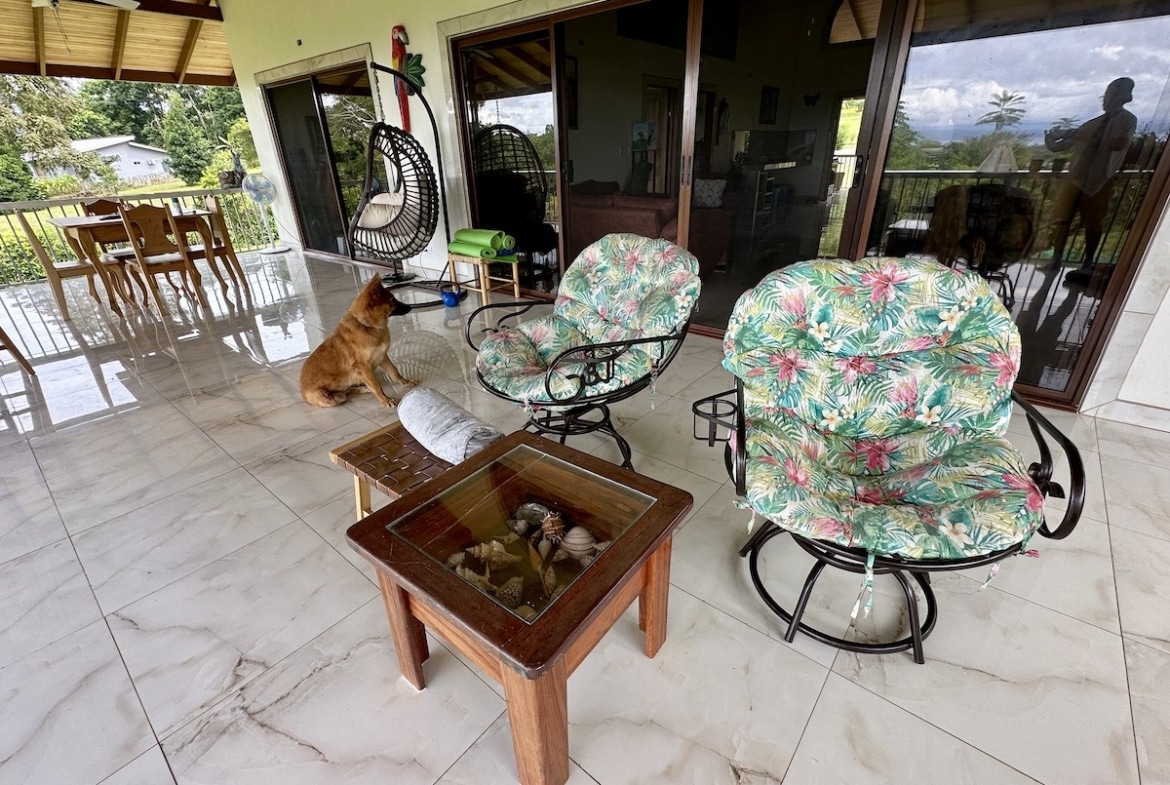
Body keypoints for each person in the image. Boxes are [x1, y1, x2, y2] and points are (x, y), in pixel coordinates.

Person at [1043, 77, 1137, 281]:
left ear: (1120, 96)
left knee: (1093, 224)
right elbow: (1062, 145)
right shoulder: (1093, 123)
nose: (1106, 99)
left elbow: (1120, 144)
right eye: (1106, 94)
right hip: (1075, 179)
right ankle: (1056, 259)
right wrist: (1051, 142)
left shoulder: (1127, 121)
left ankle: (1088, 263)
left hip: (1100, 181)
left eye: (1109, 94)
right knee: (1062, 220)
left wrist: (1088, 137)